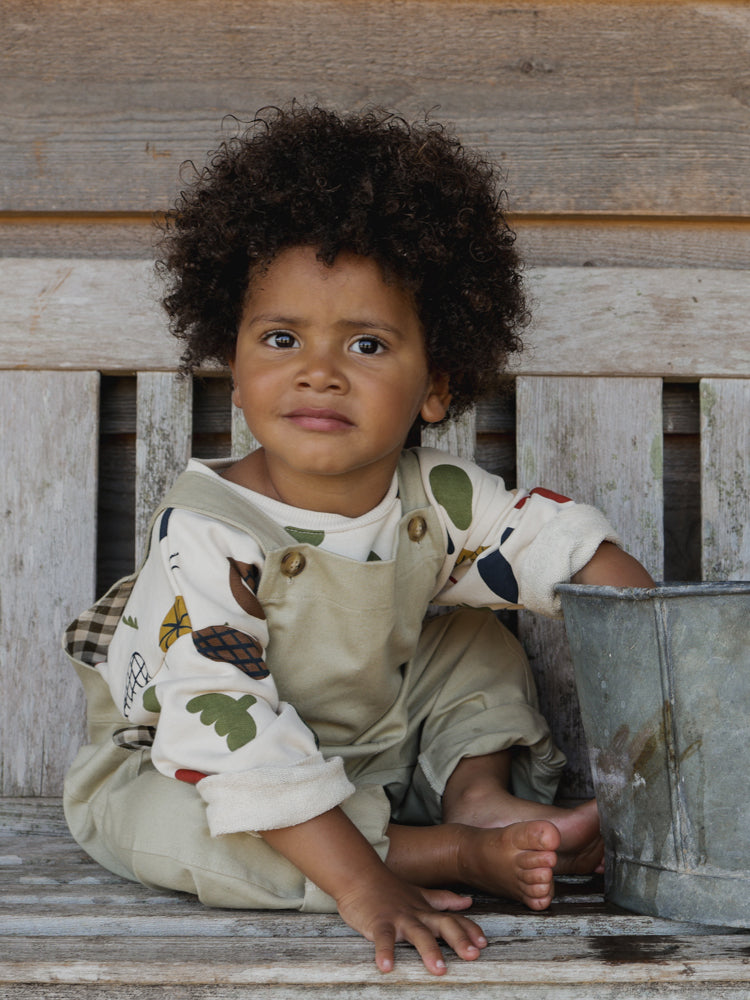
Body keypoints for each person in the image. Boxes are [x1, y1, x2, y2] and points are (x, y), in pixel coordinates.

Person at [63, 105, 654, 976]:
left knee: (471, 632)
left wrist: (676, 649)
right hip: (192, 760)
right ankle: (447, 852)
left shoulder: (436, 494)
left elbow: (553, 543)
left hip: (379, 745)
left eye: (368, 343)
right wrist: (364, 890)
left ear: (434, 388)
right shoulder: (210, 529)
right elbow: (227, 733)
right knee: (198, 832)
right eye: (281, 338)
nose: (320, 369)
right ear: (233, 366)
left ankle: (481, 801)